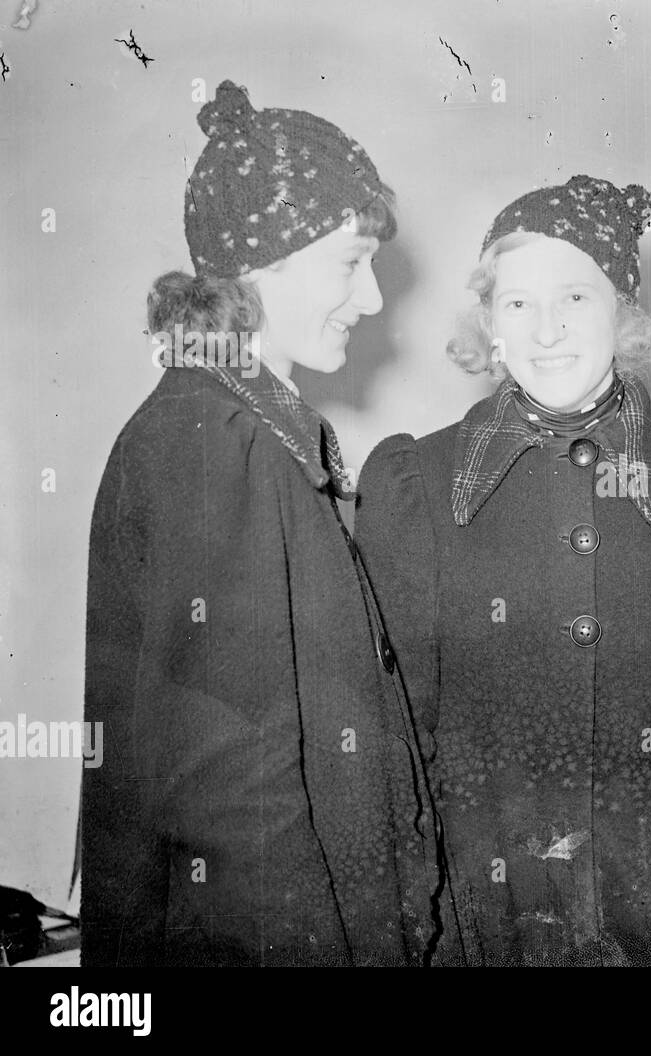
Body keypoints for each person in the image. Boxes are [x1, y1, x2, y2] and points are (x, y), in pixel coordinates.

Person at [356, 175, 651, 966]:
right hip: (477, 935)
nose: (546, 329)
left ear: (624, 311)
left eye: (575, 298)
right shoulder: (417, 487)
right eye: (517, 304)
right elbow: (397, 744)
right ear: (488, 321)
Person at [81, 80, 437, 966]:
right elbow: (229, 790)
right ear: (261, 265)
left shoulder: (244, 425)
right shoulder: (214, 438)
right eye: (349, 264)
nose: (372, 299)